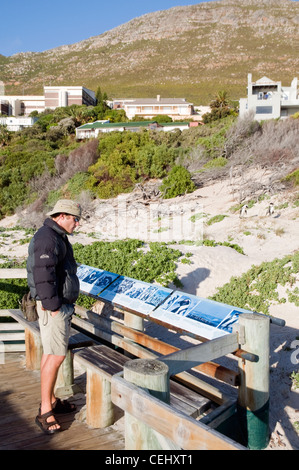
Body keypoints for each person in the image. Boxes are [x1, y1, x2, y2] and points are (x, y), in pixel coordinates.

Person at [27, 199, 82, 434]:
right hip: (53, 308)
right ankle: (45, 411)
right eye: (74, 219)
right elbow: (43, 275)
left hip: (55, 306)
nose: (77, 224)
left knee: (51, 354)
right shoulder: (47, 238)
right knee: (56, 356)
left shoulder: (55, 235)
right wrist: (53, 306)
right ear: (62, 216)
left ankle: (50, 401)